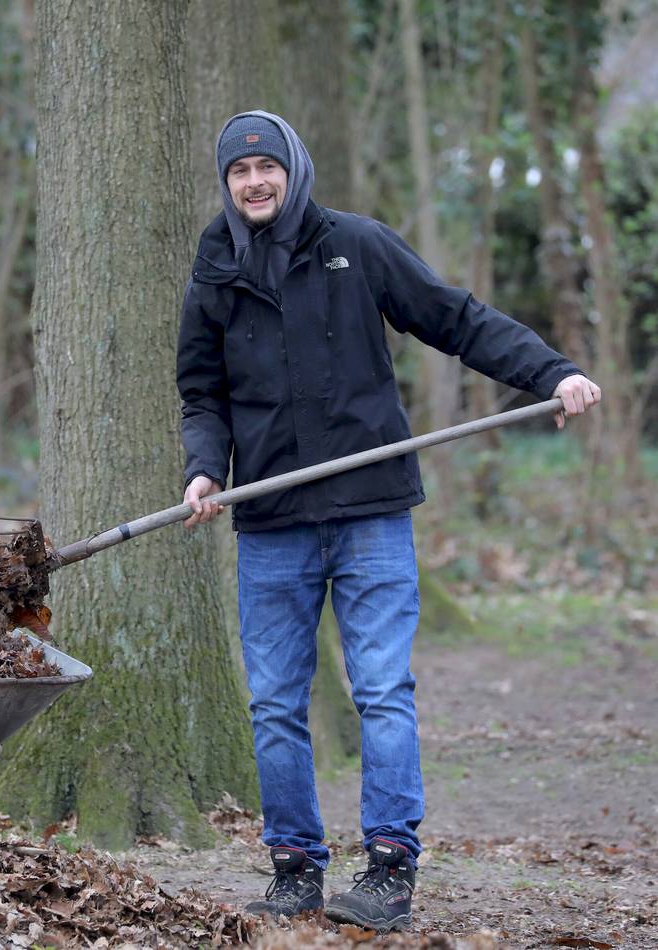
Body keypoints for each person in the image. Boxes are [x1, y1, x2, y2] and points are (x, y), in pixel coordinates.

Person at [176, 111, 600, 932]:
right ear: (227, 184)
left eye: (268, 166)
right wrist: (203, 467)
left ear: (294, 169)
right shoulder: (215, 267)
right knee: (271, 704)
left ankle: (390, 867)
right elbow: (204, 394)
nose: (255, 181)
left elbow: (456, 317)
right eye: (240, 171)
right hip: (270, 518)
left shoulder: (356, 245)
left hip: (369, 511)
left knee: (381, 691)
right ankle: (294, 865)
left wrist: (553, 370)